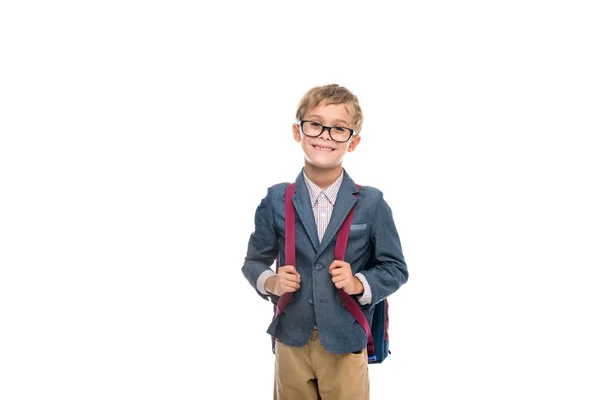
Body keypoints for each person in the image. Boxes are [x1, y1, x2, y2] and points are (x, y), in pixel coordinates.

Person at [241, 83, 408, 400]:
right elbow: (253, 262)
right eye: (316, 124)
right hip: (291, 338)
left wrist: (359, 283)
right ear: (297, 131)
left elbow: (395, 268)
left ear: (353, 141)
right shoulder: (276, 199)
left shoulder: (371, 203)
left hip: (345, 340)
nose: (325, 136)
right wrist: (272, 282)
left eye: (339, 129)